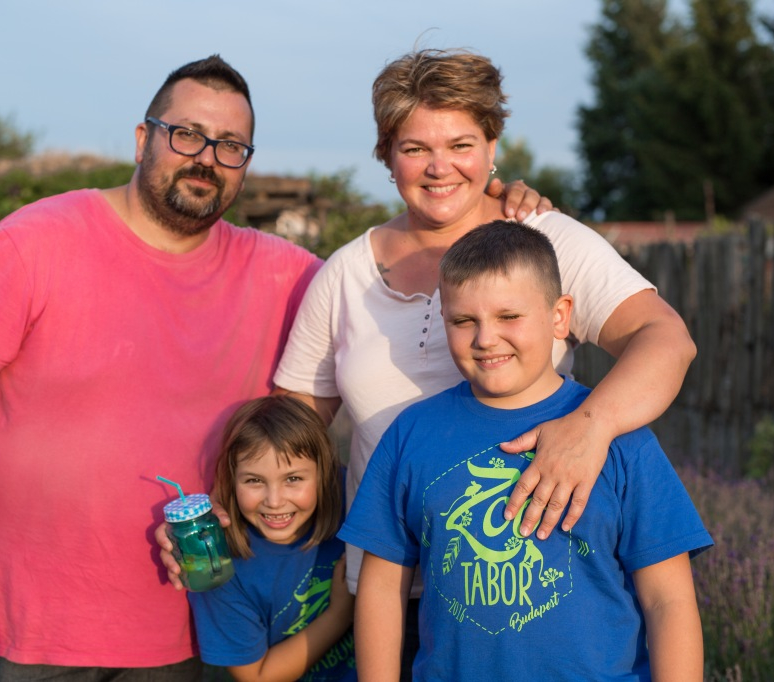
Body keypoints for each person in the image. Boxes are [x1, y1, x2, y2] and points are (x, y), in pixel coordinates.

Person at [0, 53, 545, 679]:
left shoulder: (289, 276)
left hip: (189, 624)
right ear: (143, 138)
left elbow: (394, 277)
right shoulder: (33, 243)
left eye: (231, 145)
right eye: (187, 135)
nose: (207, 157)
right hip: (24, 627)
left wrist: (494, 202)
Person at [270, 48, 696, 676]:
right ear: (386, 155)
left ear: (493, 147)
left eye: (461, 144)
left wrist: (591, 427)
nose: (439, 167)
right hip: (386, 591)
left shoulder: (548, 242)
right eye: (414, 147)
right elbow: (292, 430)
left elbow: (666, 340)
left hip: (544, 582)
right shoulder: (343, 276)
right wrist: (237, 510)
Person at [340, 220, 713, 680]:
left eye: (509, 316)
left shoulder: (620, 437)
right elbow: (381, 588)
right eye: (463, 321)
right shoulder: (410, 435)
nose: (485, 338)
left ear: (559, 316)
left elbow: (668, 600)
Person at [187, 395, 355, 681]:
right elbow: (257, 676)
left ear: (325, 474)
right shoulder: (218, 566)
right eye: (254, 480)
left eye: (293, 479)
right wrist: (340, 615)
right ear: (230, 480)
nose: (274, 501)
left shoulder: (353, 501)